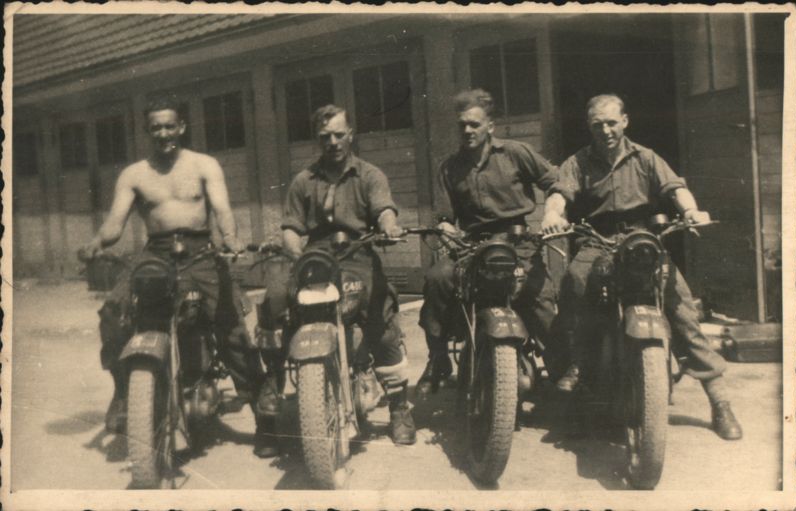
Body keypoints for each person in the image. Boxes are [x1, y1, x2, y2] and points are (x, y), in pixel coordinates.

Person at [79, 96, 278, 457]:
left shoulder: (204, 165)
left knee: (230, 327)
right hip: (155, 255)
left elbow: (222, 210)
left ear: (182, 127)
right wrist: (96, 243)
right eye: (156, 127)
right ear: (147, 132)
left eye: (170, 126)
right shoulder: (134, 174)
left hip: (202, 254)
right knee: (113, 313)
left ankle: (263, 417)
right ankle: (125, 391)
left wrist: (230, 239)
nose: (163, 133)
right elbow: (114, 223)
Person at [541, 93, 742, 440]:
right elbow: (560, 193)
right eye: (597, 124)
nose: (605, 130)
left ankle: (719, 401)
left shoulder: (646, 157)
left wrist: (691, 210)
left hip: (642, 239)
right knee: (574, 281)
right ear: (589, 126)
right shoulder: (578, 162)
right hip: (597, 239)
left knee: (680, 306)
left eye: (611, 122)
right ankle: (577, 363)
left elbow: (676, 188)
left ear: (625, 121)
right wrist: (551, 214)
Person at [258, 104, 416, 446]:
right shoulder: (304, 180)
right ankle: (273, 380)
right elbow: (290, 227)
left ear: (351, 135)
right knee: (277, 301)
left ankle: (400, 407)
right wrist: (295, 254)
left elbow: (384, 208)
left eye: (339, 134)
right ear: (318, 139)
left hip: (358, 253)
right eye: (325, 136)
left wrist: (389, 226)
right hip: (315, 256)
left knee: (382, 318)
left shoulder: (369, 175)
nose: (333, 142)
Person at [416, 89, 562, 397]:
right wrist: (445, 228)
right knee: (437, 279)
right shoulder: (449, 168)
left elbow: (555, 181)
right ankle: (438, 359)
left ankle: (561, 366)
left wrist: (554, 210)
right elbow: (444, 216)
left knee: (540, 297)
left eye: (474, 124)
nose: (468, 131)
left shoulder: (515, 152)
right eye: (462, 125)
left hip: (518, 241)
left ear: (490, 126)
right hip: (473, 245)